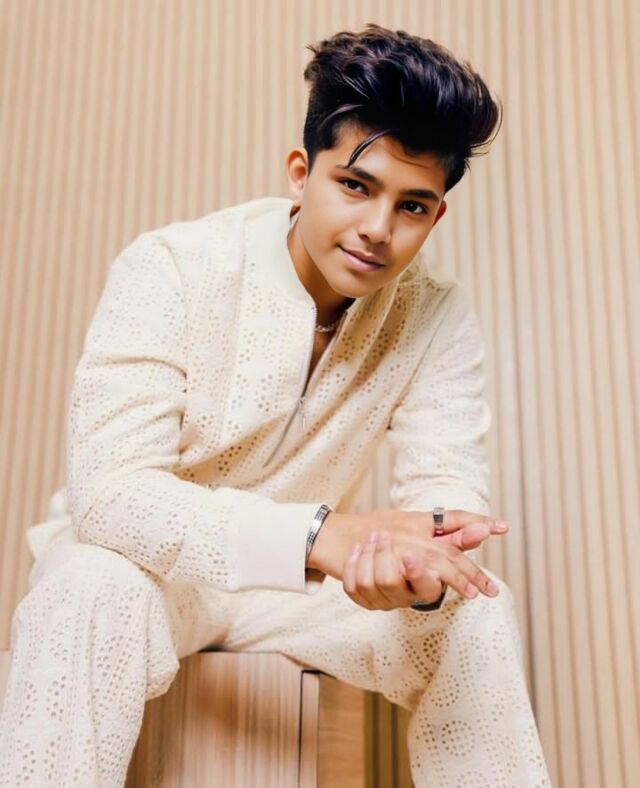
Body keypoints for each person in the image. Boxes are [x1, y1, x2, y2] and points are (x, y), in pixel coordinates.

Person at [0, 23, 551, 787]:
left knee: (475, 610)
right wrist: (319, 536)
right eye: (355, 186)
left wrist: (419, 570)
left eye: (412, 206)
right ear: (301, 173)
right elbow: (110, 495)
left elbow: (445, 497)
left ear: (436, 216)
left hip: (297, 594)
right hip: (151, 575)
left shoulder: (438, 314)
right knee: (89, 585)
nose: (377, 230)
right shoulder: (172, 267)